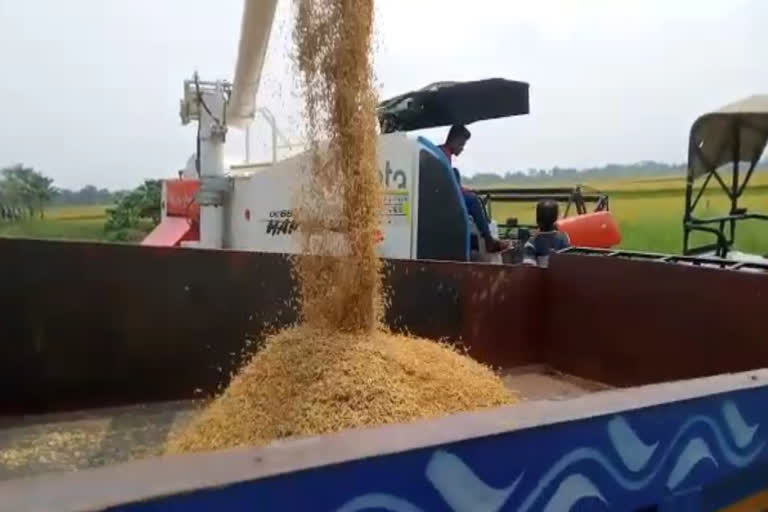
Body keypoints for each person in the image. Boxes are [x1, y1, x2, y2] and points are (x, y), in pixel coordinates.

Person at [439, 125, 508, 253]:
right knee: (473, 201)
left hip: (445, 193)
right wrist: (467, 192)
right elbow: (448, 185)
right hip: (443, 198)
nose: (462, 148)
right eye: (461, 144)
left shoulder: (442, 153)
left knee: (461, 181)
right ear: (454, 140)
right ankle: (488, 240)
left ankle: (486, 237)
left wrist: (467, 190)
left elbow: (451, 182)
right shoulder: (442, 156)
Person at [523, 199, 571, 268]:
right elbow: (568, 263)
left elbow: (528, 267)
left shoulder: (531, 243)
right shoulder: (564, 238)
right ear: (556, 219)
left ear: (537, 220)